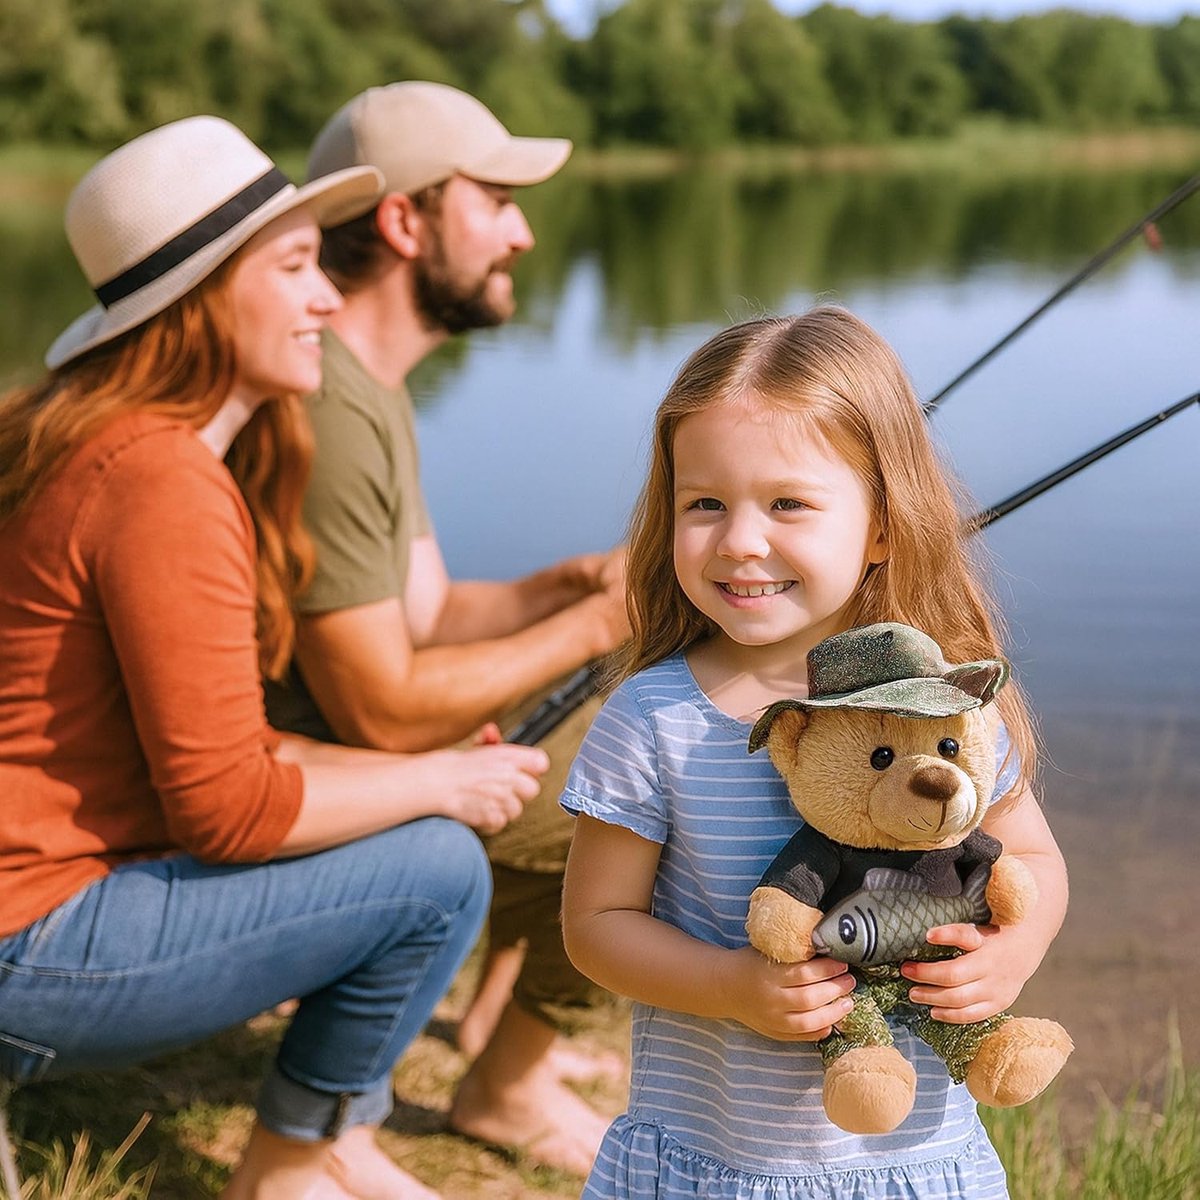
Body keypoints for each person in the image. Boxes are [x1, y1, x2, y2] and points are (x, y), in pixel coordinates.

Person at [0, 115, 551, 1200]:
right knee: (440, 871)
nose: (328, 300)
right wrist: (440, 785)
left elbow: (226, 748)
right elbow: (227, 810)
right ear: (204, 299)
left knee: (421, 818)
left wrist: (422, 769)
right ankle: (290, 1170)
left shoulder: (101, 441)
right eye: (295, 267)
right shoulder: (162, 482)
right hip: (28, 946)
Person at [559, 308, 1069, 1199]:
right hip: (716, 1162)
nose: (739, 540)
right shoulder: (655, 718)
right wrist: (730, 985)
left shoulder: (943, 705)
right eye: (704, 504)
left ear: (881, 526)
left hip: (914, 1163)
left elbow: (1037, 862)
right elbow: (595, 926)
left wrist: (1013, 953)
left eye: (787, 503)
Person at [263, 82, 629, 1174]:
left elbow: (421, 613)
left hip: (350, 744)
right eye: (497, 200)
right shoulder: (329, 405)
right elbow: (381, 705)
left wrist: (565, 587)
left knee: (644, 718)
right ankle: (505, 1086)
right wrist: (595, 625)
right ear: (404, 220)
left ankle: (504, 1039)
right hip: (314, 776)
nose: (523, 231)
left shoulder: (366, 385)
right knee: (671, 787)